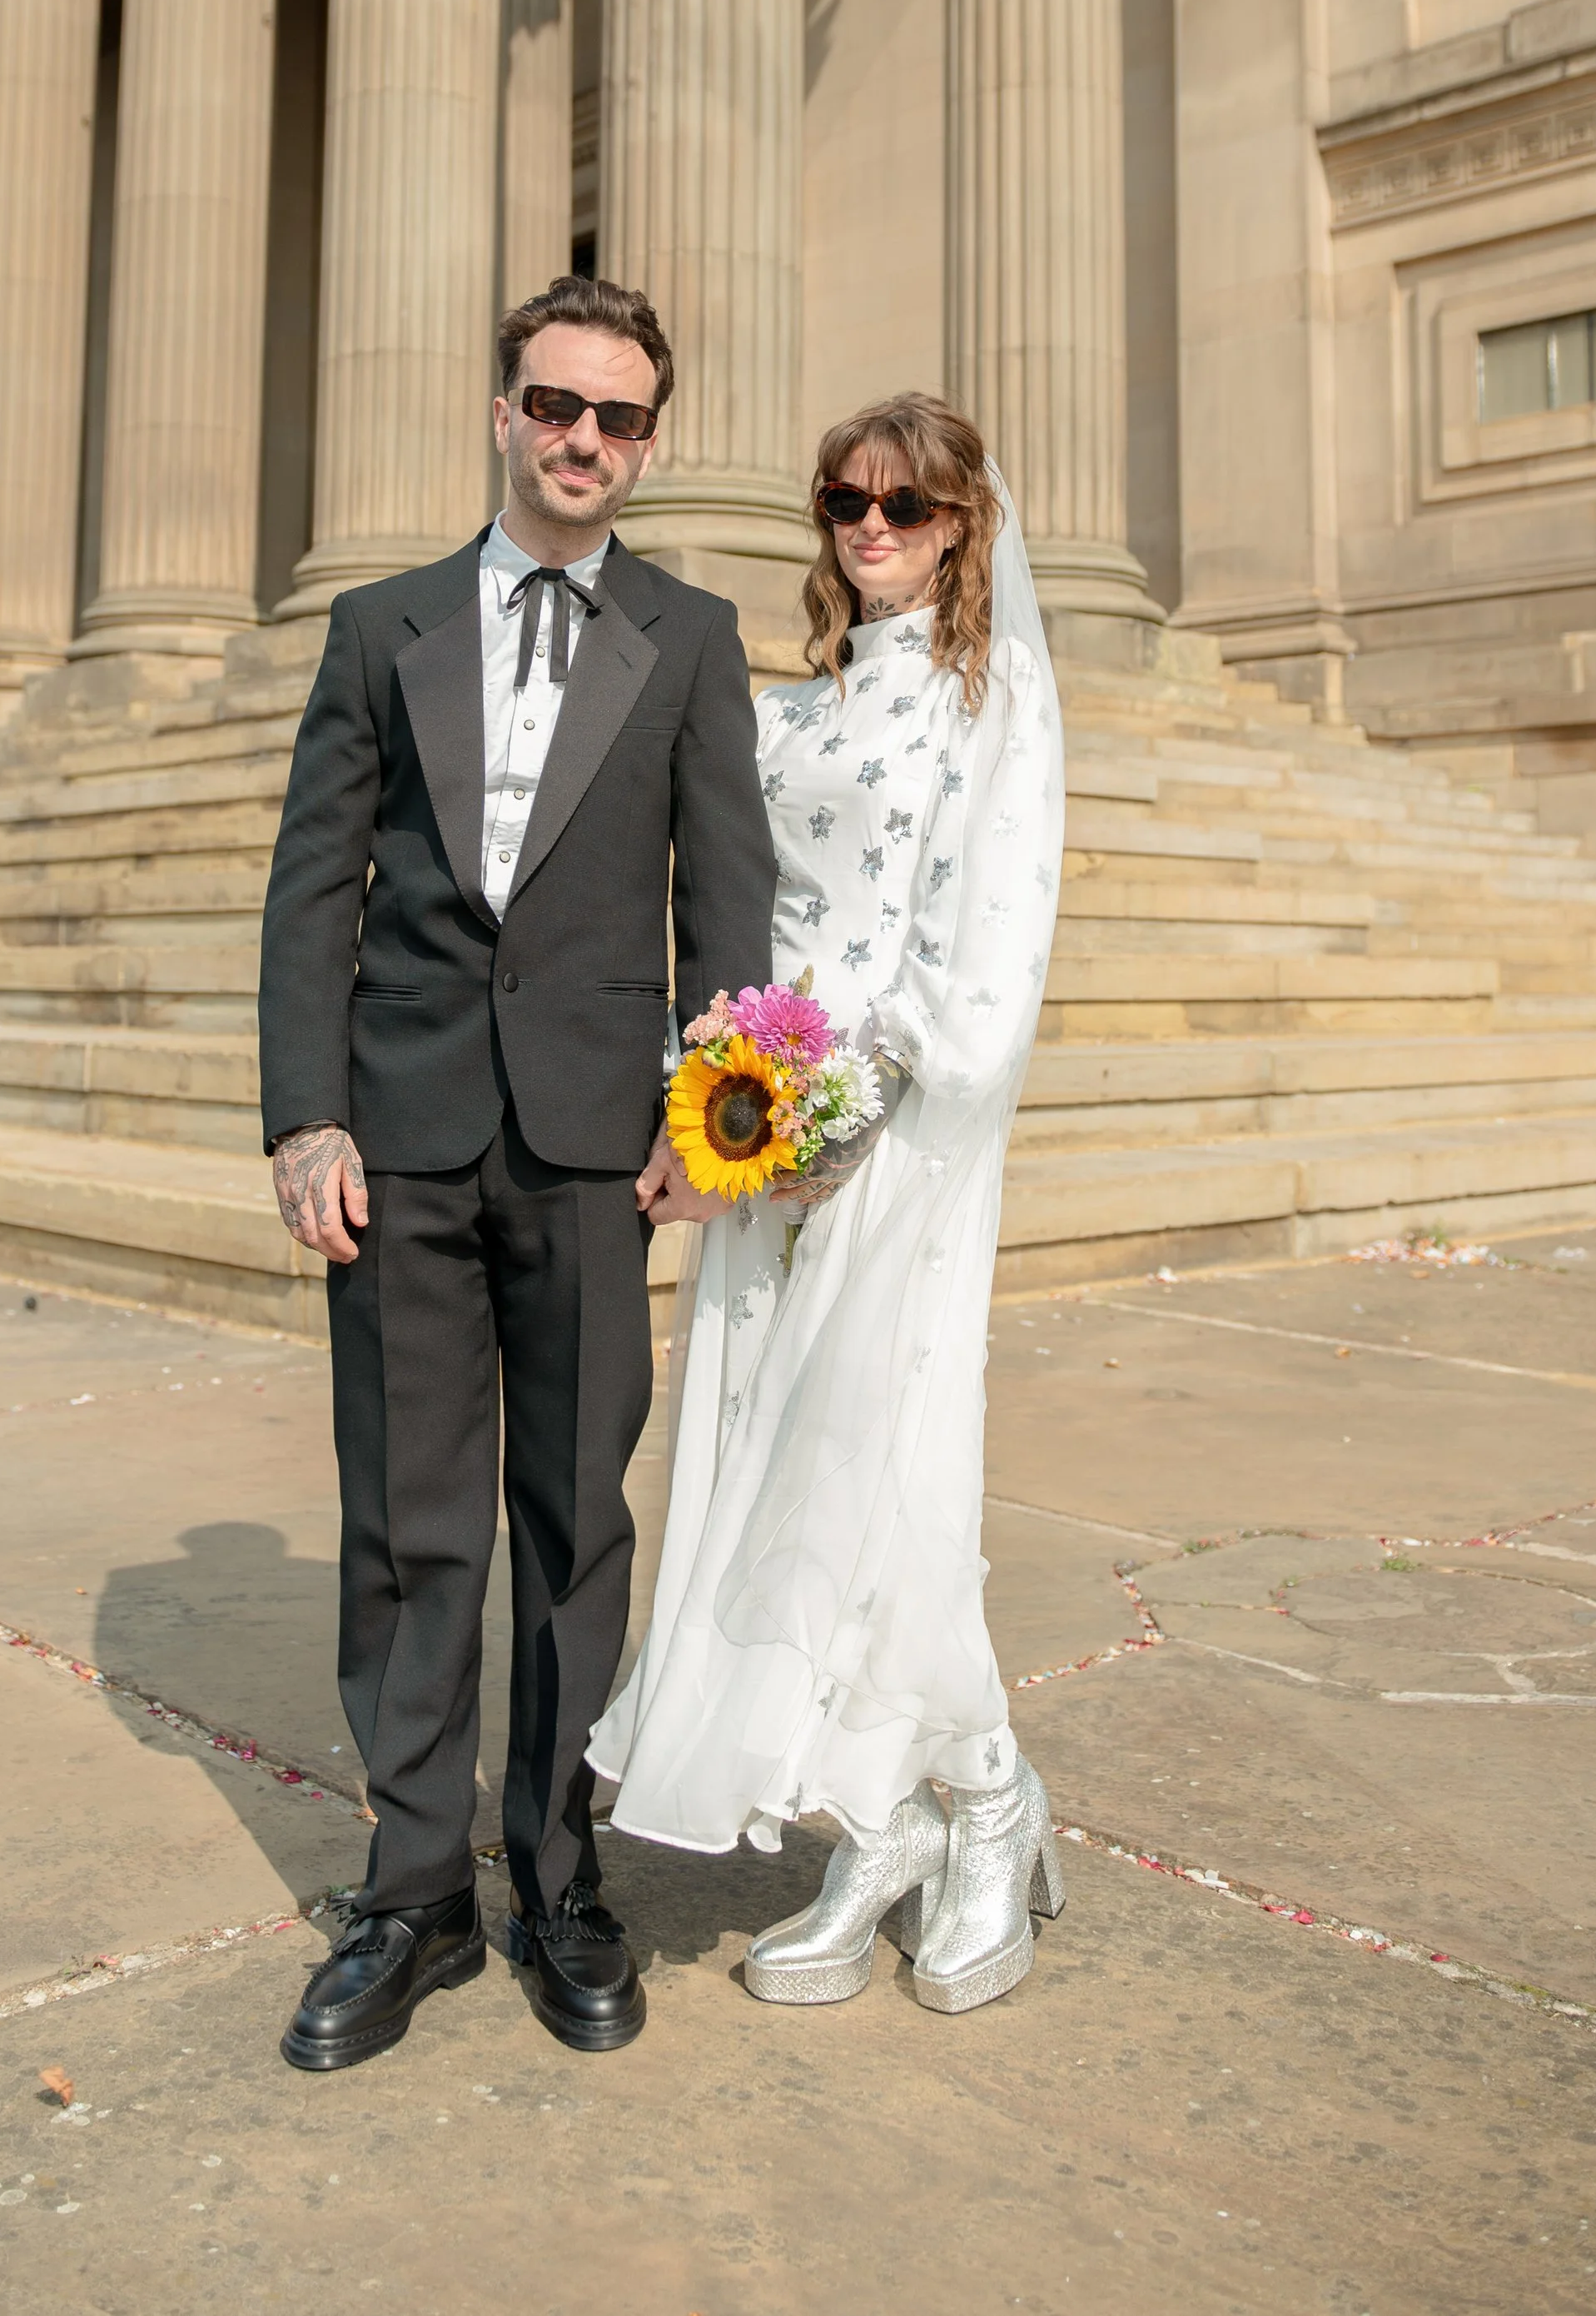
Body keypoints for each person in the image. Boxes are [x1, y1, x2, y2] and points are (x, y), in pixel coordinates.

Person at [258, 272, 775, 2069]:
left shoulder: (691, 639)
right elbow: (314, 888)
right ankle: (409, 1900)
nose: (583, 441)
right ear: (503, 414)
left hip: (592, 1159)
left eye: (618, 418)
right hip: (394, 1142)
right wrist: (300, 1116)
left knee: (570, 1529)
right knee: (406, 1534)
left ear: (649, 439)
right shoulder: (379, 625)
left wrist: (712, 1130)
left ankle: (558, 1881)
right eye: (556, 406)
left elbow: (728, 904)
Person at [590, 391, 1068, 2016]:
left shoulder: (987, 699)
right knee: (781, 1493)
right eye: (843, 505)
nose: (869, 532)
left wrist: (857, 1106)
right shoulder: (791, 713)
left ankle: (979, 1807)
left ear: (961, 524)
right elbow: (731, 907)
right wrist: (719, 1093)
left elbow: (984, 954)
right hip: (765, 1157)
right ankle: (873, 1824)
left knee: (885, 1487)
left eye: (905, 507)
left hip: (900, 1150)